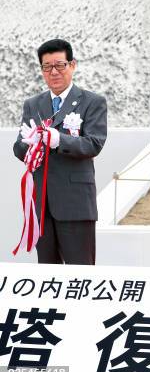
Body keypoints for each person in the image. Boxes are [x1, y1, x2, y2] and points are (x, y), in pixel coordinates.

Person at [13, 39, 108, 264]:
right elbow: (19, 148)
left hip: (75, 201)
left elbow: (94, 144)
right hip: (41, 202)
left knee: (80, 271)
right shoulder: (33, 104)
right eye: (47, 67)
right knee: (47, 273)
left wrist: (59, 140)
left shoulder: (92, 101)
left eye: (60, 65)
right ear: (42, 70)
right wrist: (27, 143)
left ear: (72, 65)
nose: (53, 72)